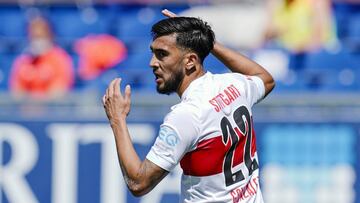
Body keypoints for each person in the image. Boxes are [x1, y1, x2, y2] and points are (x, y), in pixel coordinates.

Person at [102, 9, 275, 203]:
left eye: (162, 55)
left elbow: (139, 183)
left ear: (191, 61)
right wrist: (206, 44)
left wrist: (117, 119)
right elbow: (265, 79)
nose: (152, 63)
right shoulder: (234, 85)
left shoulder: (186, 115)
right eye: (153, 54)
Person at [9, 15, 74, 99]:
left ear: (50, 35)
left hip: (51, 110)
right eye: (34, 36)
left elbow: (58, 93)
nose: (37, 41)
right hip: (25, 109)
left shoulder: (60, 59)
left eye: (41, 36)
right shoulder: (22, 61)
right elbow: (16, 93)